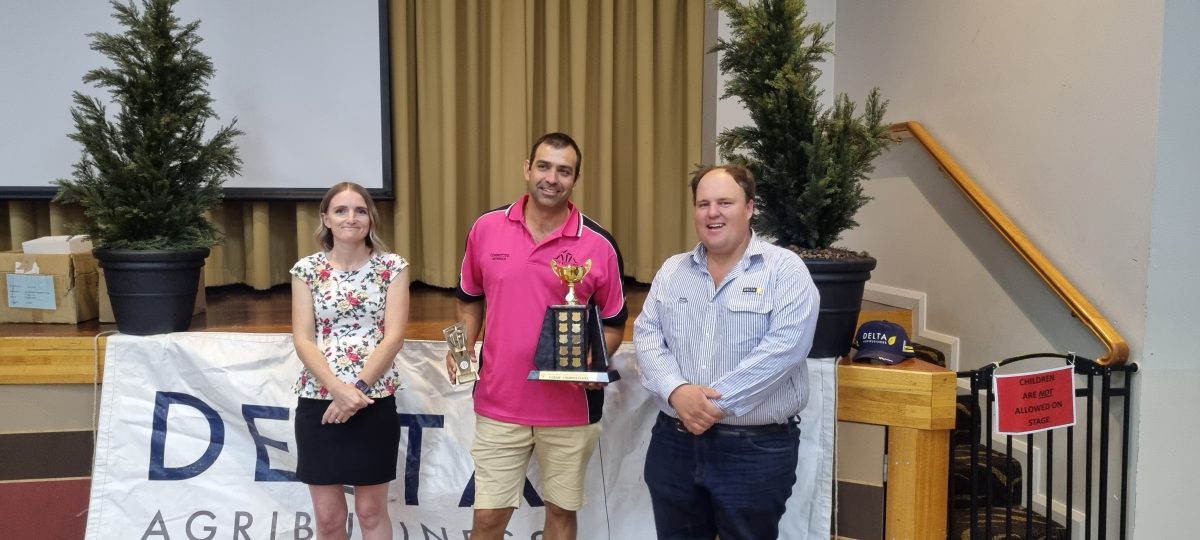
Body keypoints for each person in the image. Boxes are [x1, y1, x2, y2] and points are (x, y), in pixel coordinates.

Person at [447, 132, 627, 540]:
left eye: (564, 171)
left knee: (560, 516)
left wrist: (588, 364)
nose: (552, 178)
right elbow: (468, 299)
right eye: (544, 166)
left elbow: (614, 323)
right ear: (527, 169)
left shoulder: (599, 245)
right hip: (499, 403)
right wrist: (461, 350)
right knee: (489, 519)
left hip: (570, 410)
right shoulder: (486, 228)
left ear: (575, 179)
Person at [634, 164, 820, 539]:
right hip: (674, 444)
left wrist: (710, 406)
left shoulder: (785, 271)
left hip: (754, 450)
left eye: (724, 202)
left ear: (750, 207)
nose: (712, 213)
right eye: (703, 204)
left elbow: (785, 348)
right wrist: (676, 391)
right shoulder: (673, 271)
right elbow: (647, 333)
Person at [290, 181, 411, 540]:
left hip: (372, 399)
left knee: (371, 512)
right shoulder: (306, 270)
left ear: (370, 218)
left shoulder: (393, 267)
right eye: (341, 210)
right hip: (319, 402)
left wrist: (356, 390)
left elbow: (394, 338)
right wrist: (337, 390)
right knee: (328, 518)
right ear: (325, 218)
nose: (350, 218)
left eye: (359, 210)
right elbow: (303, 339)